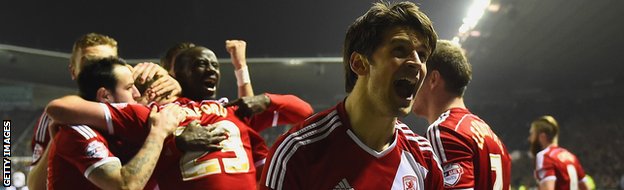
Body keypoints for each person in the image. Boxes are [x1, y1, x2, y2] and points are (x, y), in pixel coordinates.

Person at [45, 45, 313, 189]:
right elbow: (59, 108)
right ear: (177, 75)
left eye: (214, 65)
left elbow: (304, 111)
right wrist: (173, 138)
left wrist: (263, 97)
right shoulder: (156, 115)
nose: (211, 70)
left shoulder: (231, 110)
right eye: (200, 64)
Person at [260, 2, 443, 189]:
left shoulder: (425, 159)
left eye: (422, 55)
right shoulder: (298, 153)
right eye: (399, 50)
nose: (417, 63)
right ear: (359, 63)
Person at [28, 33, 181, 190]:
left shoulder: (136, 102)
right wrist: (58, 145)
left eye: (106, 62)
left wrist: (176, 86)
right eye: (89, 63)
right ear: (73, 71)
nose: (98, 68)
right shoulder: (58, 119)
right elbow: (34, 186)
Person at [411, 40, 512, 189]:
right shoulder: (494, 139)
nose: (412, 85)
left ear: (433, 79)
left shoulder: (445, 130)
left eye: (418, 76)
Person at [529, 115, 589, 190]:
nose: (530, 139)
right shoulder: (571, 156)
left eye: (532, 134)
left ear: (542, 137)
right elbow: (585, 188)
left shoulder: (545, 156)